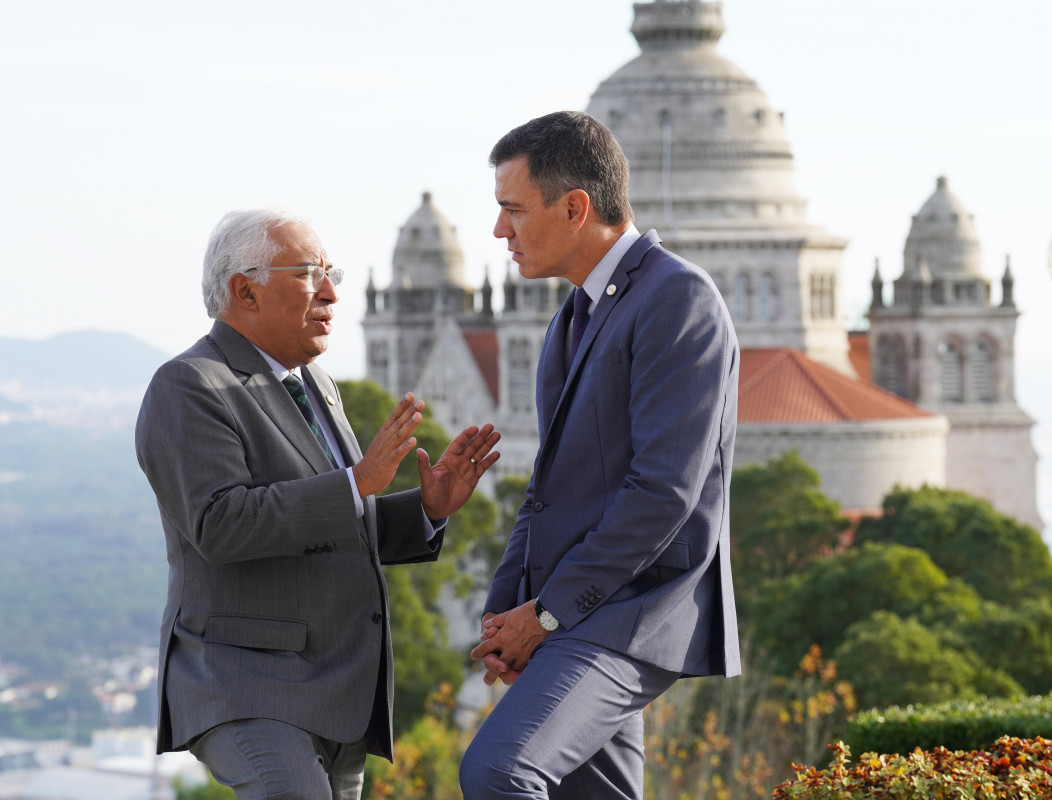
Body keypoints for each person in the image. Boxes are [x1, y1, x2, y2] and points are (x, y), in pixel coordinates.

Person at [135, 208, 500, 800]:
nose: (331, 292)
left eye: (332, 272)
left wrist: (428, 508)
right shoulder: (190, 385)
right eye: (309, 273)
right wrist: (357, 481)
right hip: (249, 684)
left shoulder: (317, 385)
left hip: (339, 694)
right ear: (245, 290)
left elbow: (338, 525)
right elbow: (221, 524)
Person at [460, 110, 740, 800]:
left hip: (634, 612)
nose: (500, 232)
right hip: (576, 613)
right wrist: (507, 612)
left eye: (513, 210)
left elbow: (661, 495)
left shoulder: (678, 300)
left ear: (576, 207)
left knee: (499, 771)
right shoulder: (571, 319)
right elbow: (548, 490)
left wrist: (546, 614)